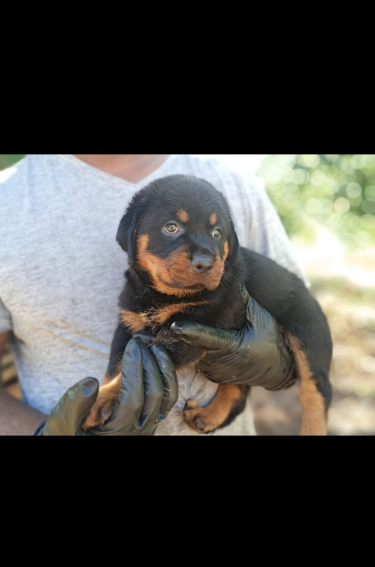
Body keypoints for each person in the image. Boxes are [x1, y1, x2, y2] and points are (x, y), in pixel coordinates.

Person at [0, 154, 305, 436]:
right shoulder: (7, 201)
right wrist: (45, 433)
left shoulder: (234, 183)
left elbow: (297, 313)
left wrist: (278, 359)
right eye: (171, 227)